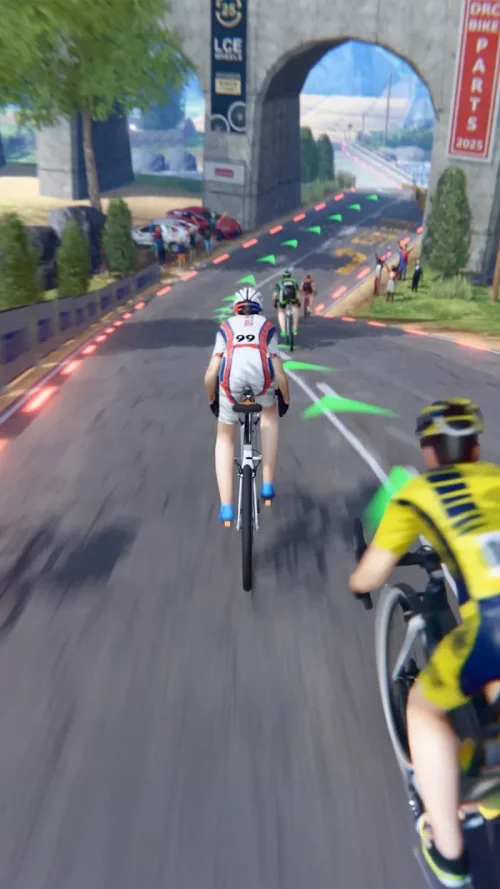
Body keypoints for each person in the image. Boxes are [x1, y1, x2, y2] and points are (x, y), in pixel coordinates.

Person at [349, 398, 500, 888]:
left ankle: (450, 855)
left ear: (430, 451)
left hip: (493, 627)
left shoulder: (417, 494)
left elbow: (372, 573)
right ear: (475, 447)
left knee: (425, 708)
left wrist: (357, 583)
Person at [204, 287, 290, 523]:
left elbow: (211, 373)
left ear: (236, 309)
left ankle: (226, 507)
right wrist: (285, 398)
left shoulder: (226, 327)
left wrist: (212, 399)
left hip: (230, 380)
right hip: (262, 379)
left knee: (225, 437)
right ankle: (267, 484)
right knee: (269, 416)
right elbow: (279, 371)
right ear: (259, 309)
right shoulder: (267, 326)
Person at [273, 269, 301, 338]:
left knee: (281, 311)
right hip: (293, 296)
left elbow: (275, 294)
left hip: (284, 297)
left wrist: (274, 301)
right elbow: (298, 293)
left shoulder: (280, 281)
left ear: (283, 276)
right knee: (295, 308)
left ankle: (283, 331)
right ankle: (294, 329)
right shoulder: (294, 281)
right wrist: (299, 302)